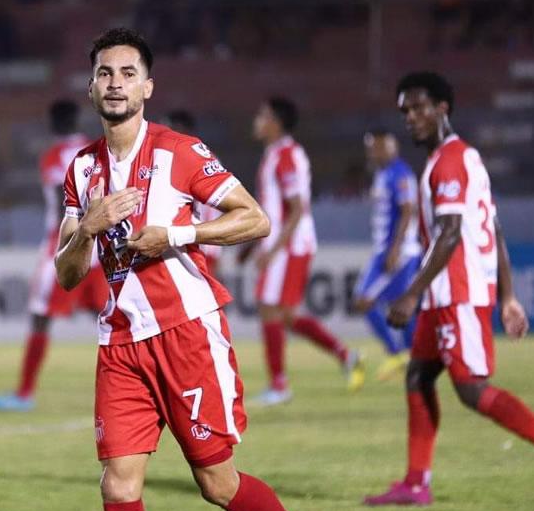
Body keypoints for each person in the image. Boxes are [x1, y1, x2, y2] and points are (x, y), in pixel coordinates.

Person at [55, 28, 336, 511]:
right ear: (91, 86)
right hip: (121, 343)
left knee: (217, 482)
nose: (116, 83)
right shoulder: (82, 169)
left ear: (148, 87)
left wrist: (177, 232)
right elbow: (69, 273)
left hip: (187, 334)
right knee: (118, 484)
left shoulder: (180, 154)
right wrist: (89, 229)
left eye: (128, 72)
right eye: (105, 73)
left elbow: (255, 218)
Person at [365, 72, 534, 507]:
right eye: (405, 111)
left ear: (442, 108)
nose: (410, 118)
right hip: (447, 292)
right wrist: (507, 296)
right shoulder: (456, 159)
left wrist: (411, 292)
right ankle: (416, 483)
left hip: (458, 291)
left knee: (471, 388)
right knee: (419, 375)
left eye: (418, 108)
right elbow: (494, 227)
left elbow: (450, 233)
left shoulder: (450, 161)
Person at [238, 97, 364, 406]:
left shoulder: (287, 156)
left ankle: (279, 385)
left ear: (276, 123)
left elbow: (297, 210)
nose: (257, 120)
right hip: (284, 244)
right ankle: (346, 355)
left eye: (262, 115)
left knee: (269, 307)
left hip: (289, 246)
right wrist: (254, 244)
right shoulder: (275, 154)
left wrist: (272, 250)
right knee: (289, 316)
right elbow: (276, 209)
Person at [0, 100, 105, 412]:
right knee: (111, 319)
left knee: (40, 315)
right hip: (100, 244)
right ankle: (149, 383)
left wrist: (71, 238)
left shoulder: (54, 156)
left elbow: (62, 197)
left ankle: (24, 394)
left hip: (65, 242)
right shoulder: (96, 149)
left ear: (52, 123)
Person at [352, 127, 422, 381]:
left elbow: (407, 210)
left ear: (392, 147)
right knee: (398, 306)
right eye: (371, 147)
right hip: (388, 249)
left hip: (397, 251)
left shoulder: (399, 173)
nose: (374, 151)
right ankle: (413, 358)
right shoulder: (383, 174)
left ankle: (397, 353)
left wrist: (395, 249)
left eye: (379, 146)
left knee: (363, 300)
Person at [167, 108, 223, 277]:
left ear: (178, 129)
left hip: (199, 243)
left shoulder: (192, 158)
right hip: (196, 242)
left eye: (166, 128)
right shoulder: (202, 155)